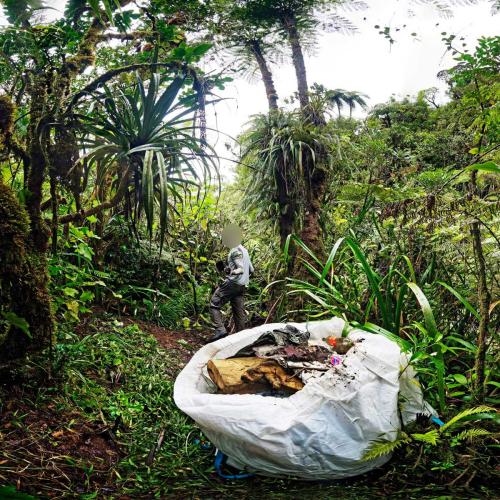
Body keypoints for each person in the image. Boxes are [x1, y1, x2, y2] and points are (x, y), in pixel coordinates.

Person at [209, 224, 254, 342]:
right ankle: (242, 340)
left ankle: (220, 330)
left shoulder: (235, 250)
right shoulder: (245, 251)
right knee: (238, 313)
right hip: (241, 286)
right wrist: (230, 270)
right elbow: (251, 270)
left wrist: (234, 272)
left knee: (214, 304)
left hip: (232, 284)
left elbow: (241, 269)